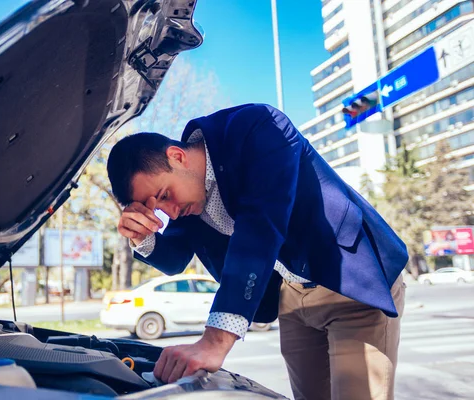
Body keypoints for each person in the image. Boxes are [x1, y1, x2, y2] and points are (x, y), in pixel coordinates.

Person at [106, 104, 408, 400]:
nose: (170, 212)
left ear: (177, 156)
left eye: (165, 196)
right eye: (158, 209)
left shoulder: (257, 127)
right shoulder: (185, 199)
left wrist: (215, 340)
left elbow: (260, 226)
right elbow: (174, 260)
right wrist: (143, 238)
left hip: (350, 281)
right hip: (293, 300)